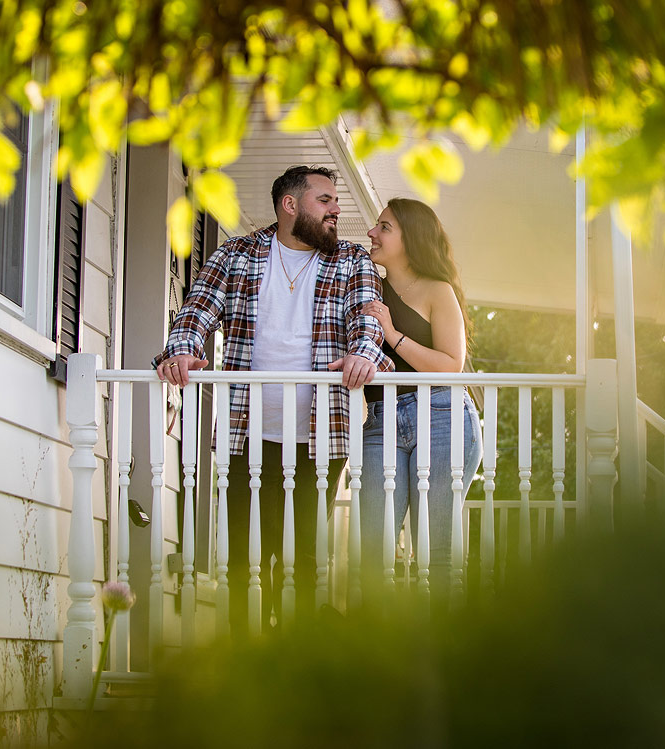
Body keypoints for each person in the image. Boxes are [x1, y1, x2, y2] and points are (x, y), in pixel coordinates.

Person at [154, 164, 392, 634]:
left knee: (303, 561)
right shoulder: (237, 255)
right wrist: (182, 349)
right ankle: (245, 669)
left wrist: (364, 353)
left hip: (320, 439)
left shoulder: (351, 260)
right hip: (247, 433)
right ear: (290, 205)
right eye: (324, 200)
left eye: (335, 201)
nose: (336, 210)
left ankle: (294, 674)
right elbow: (196, 310)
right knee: (243, 559)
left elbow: (367, 317)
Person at [359, 197, 483, 607]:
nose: (372, 233)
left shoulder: (437, 289)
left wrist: (393, 334)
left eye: (384, 227)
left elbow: (450, 364)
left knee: (438, 553)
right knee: (374, 554)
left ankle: (444, 657)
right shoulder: (367, 287)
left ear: (411, 239)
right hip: (381, 421)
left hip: (442, 415)